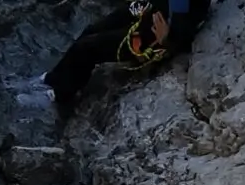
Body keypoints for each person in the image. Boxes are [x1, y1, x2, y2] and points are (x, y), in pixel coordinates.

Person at [42, 0, 212, 114]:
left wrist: (168, 39)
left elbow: (183, 25)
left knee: (86, 48)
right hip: (154, 6)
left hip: (159, 28)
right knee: (91, 30)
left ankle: (61, 96)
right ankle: (53, 78)